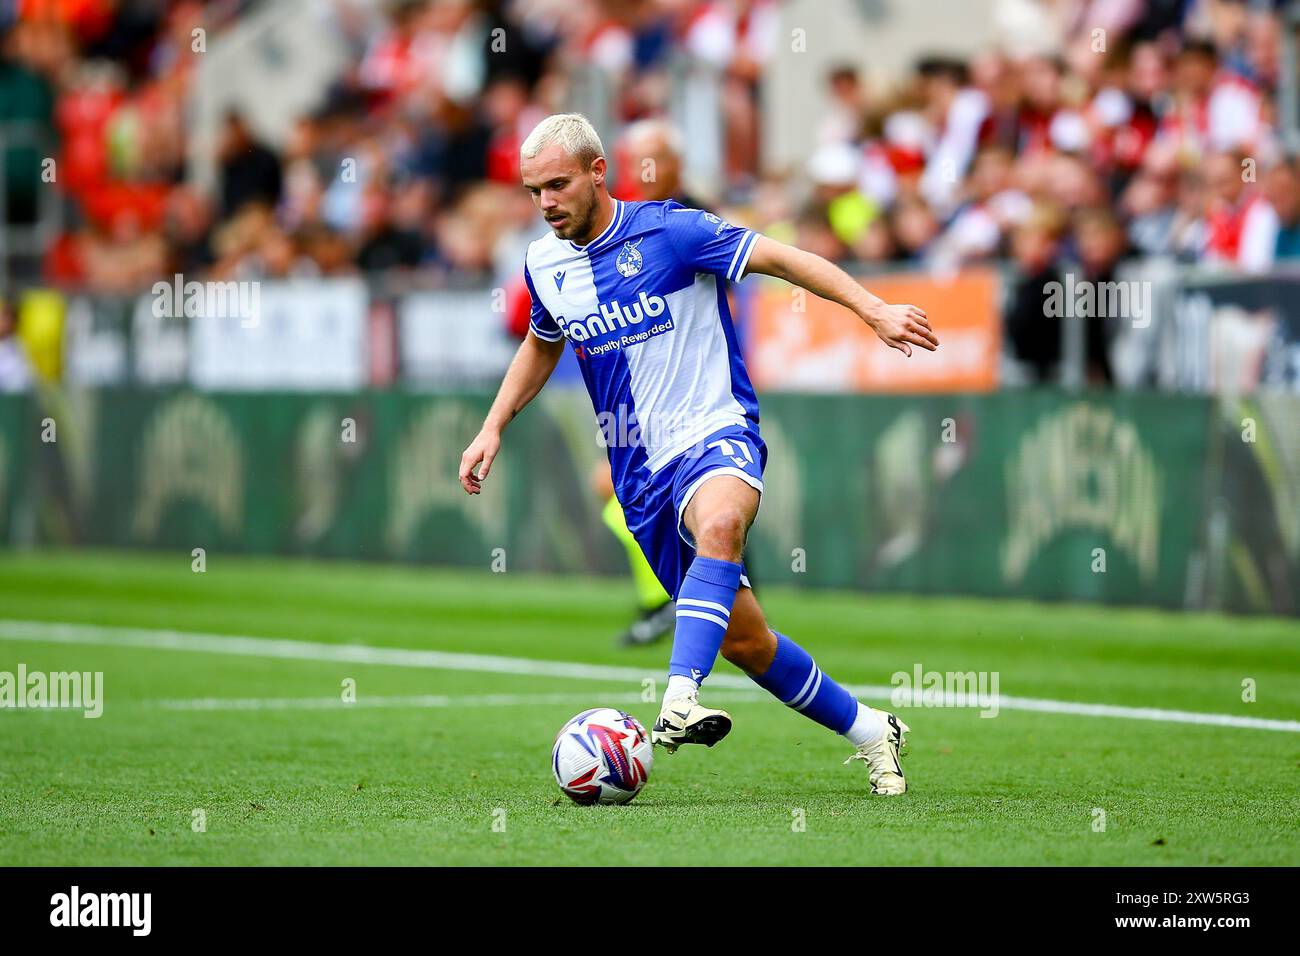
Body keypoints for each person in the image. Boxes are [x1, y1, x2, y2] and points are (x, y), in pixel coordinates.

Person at [459, 114, 937, 795]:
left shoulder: (674, 230)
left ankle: (679, 697)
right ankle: (872, 730)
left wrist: (873, 308)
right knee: (748, 642)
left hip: (715, 429)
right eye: (534, 191)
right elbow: (542, 343)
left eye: (558, 185)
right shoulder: (544, 264)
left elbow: (784, 259)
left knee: (720, 525)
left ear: (599, 172)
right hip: (640, 472)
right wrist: (492, 426)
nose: (546, 203)